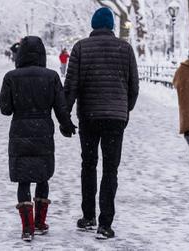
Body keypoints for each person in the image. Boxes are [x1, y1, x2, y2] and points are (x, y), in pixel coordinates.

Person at [63, 7, 139, 239]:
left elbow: (71, 86)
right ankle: (105, 223)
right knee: (110, 169)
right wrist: (124, 110)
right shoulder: (125, 49)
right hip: (115, 118)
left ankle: (88, 216)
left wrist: (64, 116)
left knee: (88, 165)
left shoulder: (80, 47)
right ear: (112, 26)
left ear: (94, 25)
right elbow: (133, 86)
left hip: (89, 117)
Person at [0, 36, 76, 241]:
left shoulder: (11, 77)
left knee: (23, 180)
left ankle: (27, 227)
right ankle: (40, 222)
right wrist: (66, 126)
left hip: (20, 132)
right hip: (43, 131)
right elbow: (61, 107)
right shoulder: (51, 77)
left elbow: (5, 109)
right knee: (43, 176)